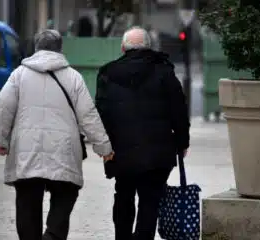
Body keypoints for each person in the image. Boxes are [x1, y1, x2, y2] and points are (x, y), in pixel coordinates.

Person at [0, 29, 114, 240]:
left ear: (36, 48)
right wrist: (104, 147)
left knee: (27, 201)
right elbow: (88, 114)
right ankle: (53, 235)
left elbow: (3, 106)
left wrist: (0, 141)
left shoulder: (19, 75)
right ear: (60, 49)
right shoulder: (73, 77)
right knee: (65, 193)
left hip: (26, 152)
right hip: (63, 150)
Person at [95, 26, 190, 240]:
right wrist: (182, 141)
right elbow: (179, 109)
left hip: (121, 150)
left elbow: (101, 113)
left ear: (122, 48)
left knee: (123, 194)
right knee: (150, 200)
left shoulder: (107, 73)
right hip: (157, 152)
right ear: (149, 47)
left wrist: (103, 146)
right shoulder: (164, 71)